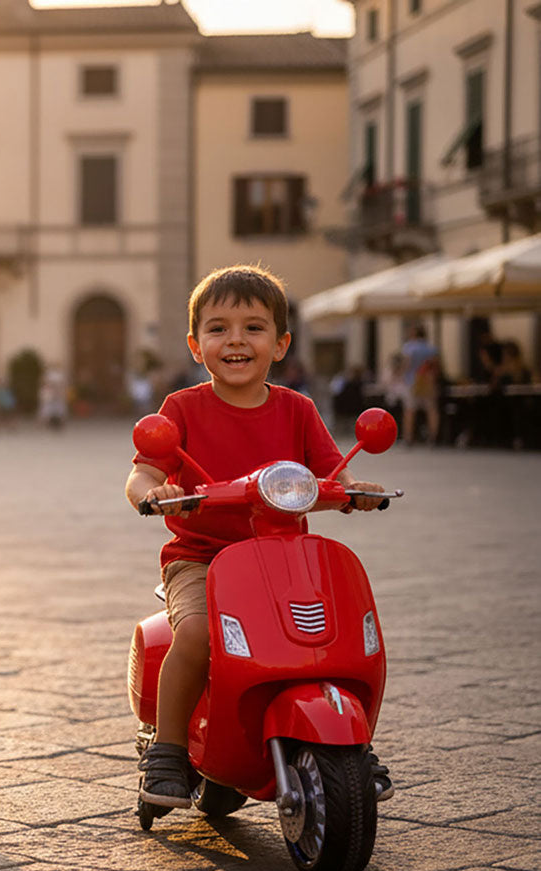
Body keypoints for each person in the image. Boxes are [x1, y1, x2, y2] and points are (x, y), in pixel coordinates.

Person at [123, 264, 391, 811]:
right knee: (196, 633)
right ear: (197, 346)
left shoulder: (298, 409)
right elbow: (145, 471)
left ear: (281, 343)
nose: (236, 340)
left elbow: (330, 473)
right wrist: (150, 492)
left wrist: (353, 489)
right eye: (219, 329)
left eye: (254, 327)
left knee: (335, 635)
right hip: (200, 556)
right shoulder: (182, 409)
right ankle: (169, 749)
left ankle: (354, 742)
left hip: (285, 560)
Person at [399, 326, 441, 445]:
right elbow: (436, 367)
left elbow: (406, 364)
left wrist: (401, 375)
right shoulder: (431, 348)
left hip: (412, 382)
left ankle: (408, 438)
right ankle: (433, 438)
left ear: (414, 334)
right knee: (431, 410)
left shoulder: (409, 347)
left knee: (410, 411)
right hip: (428, 382)